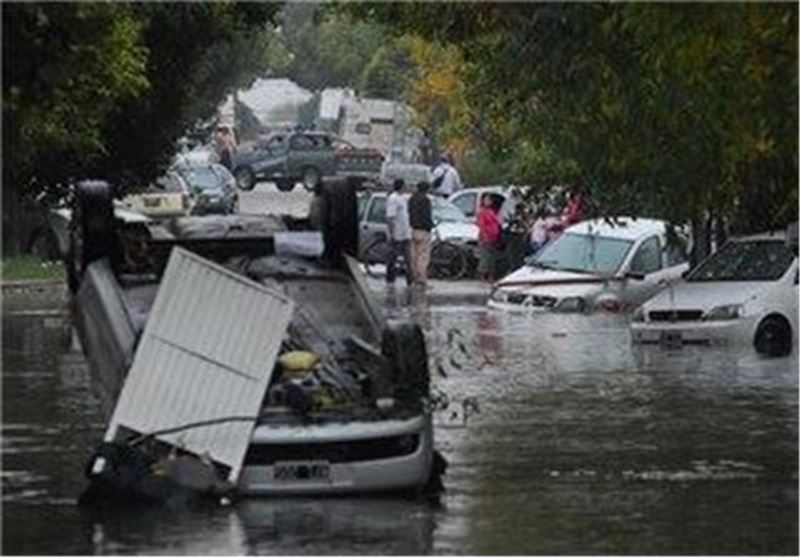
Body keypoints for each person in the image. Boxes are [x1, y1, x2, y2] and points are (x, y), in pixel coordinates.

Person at [384, 179, 413, 284]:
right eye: (405, 186)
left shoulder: (403, 198)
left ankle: (410, 279)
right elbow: (390, 218)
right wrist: (392, 234)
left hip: (405, 233)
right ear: (401, 186)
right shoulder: (393, 199)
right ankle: (390, 278)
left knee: (408, 258)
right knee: (392, 258)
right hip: (396, 234)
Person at [408, 181, 434, 285]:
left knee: (413, 255)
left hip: (412, 229)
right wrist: (430, 226)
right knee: (423, 256)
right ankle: (421, 278)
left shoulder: (411, 199)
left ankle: (413, 276)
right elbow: (426, 215)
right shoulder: (426, 200)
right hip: (423, 230)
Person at [477, 193, 503, 281]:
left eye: (490, 200)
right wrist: (484, 236)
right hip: (486, 237)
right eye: (487, 200)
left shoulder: (492, 211)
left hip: (494, 237)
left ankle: (490, 275)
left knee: (492, 257)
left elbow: (498, 222)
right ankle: (483, 274)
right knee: (486, 256)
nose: (488, 202)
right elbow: (482, 225)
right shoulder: (482, 212)